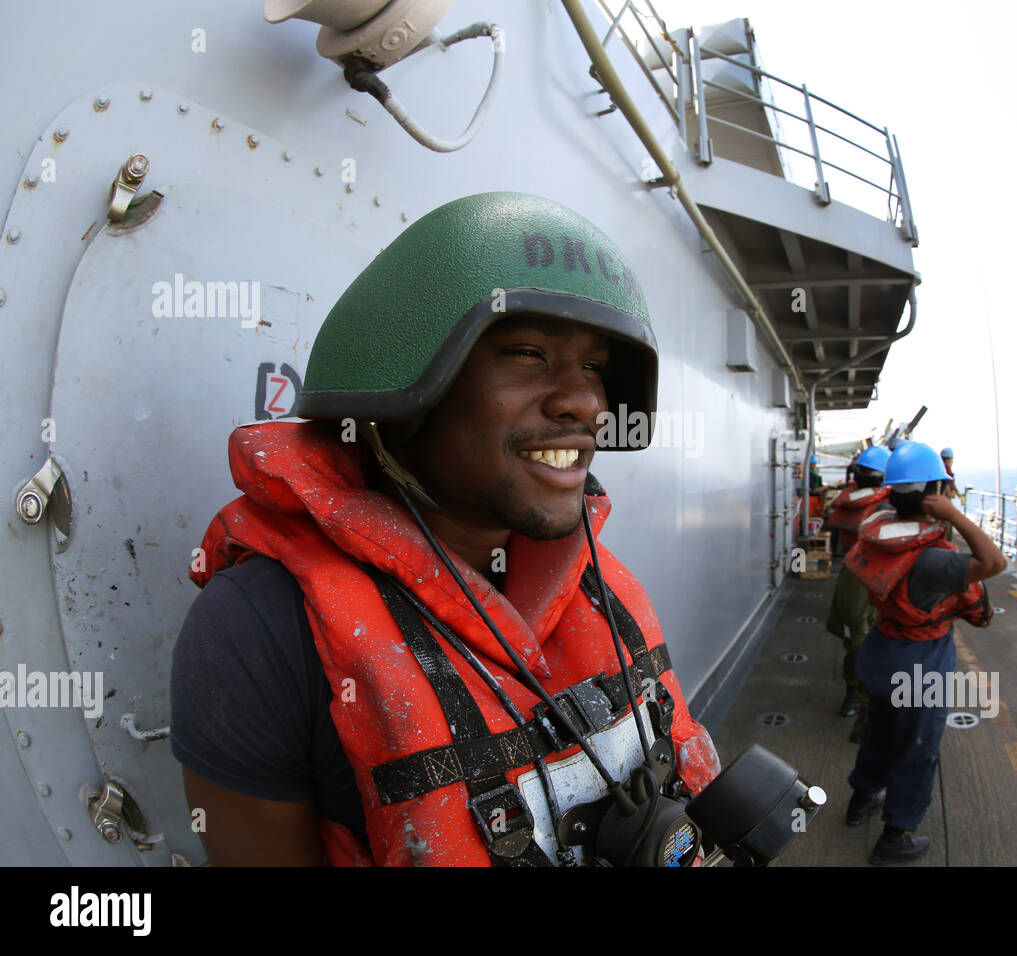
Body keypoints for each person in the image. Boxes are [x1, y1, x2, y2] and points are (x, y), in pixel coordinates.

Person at [170, 192, 721, 867]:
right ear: (399, 392)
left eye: (596, 368)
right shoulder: (258, 631)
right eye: (526, 353)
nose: (586, 402)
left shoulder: (599, 585)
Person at [840, 441, 1006, 865]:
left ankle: (861, 800)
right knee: (917, 748)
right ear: (934, 491)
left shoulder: (880, 529)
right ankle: (896, 836)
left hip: (880, 654)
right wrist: (953, 515)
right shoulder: (934, 561)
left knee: (879, 731)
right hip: (919, 665)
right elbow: (994, 562)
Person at [824, 445, 891, 740]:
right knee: (868, 645)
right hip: (872, 582)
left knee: (854, 641)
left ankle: (854, 695)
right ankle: (864, 708)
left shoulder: (848, 501)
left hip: (851, 579)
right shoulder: (885, 508)